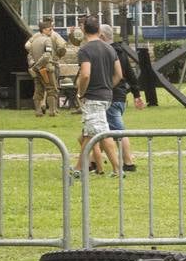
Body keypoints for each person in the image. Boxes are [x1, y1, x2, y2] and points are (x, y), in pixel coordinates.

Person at [72, 16, 122, 178]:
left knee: (101, 133)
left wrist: (81, 92)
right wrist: (107, 86)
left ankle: (117, 169)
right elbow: (119, 74)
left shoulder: (85, 50)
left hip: (93, 97)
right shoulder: (109, 48)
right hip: (107, 96)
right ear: (99, 30)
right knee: (89, 134)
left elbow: (85, 74)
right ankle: (78, 169)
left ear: (84, 30)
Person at [102, 24, 144, 171]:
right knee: (101, 130)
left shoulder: (108, 53)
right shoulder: (122, 52)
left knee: (119, 131)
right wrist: (136, 95)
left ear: (102, 37)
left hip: (112, 96)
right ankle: (92, 161)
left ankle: (128, 162)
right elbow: (131, 75)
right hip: (120, 97)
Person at [26, 19, 67, 117]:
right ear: (44, 30)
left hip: (36, 69)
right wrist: (39, 65)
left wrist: (33, 65)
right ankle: (52, 111)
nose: (51, 30)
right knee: (52, 89)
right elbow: (47, 55)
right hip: (46, 68)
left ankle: (38, 111)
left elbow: (29, 55)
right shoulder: (47, 40)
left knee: (38, 89)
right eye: (49, 29)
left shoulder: (34, 40)